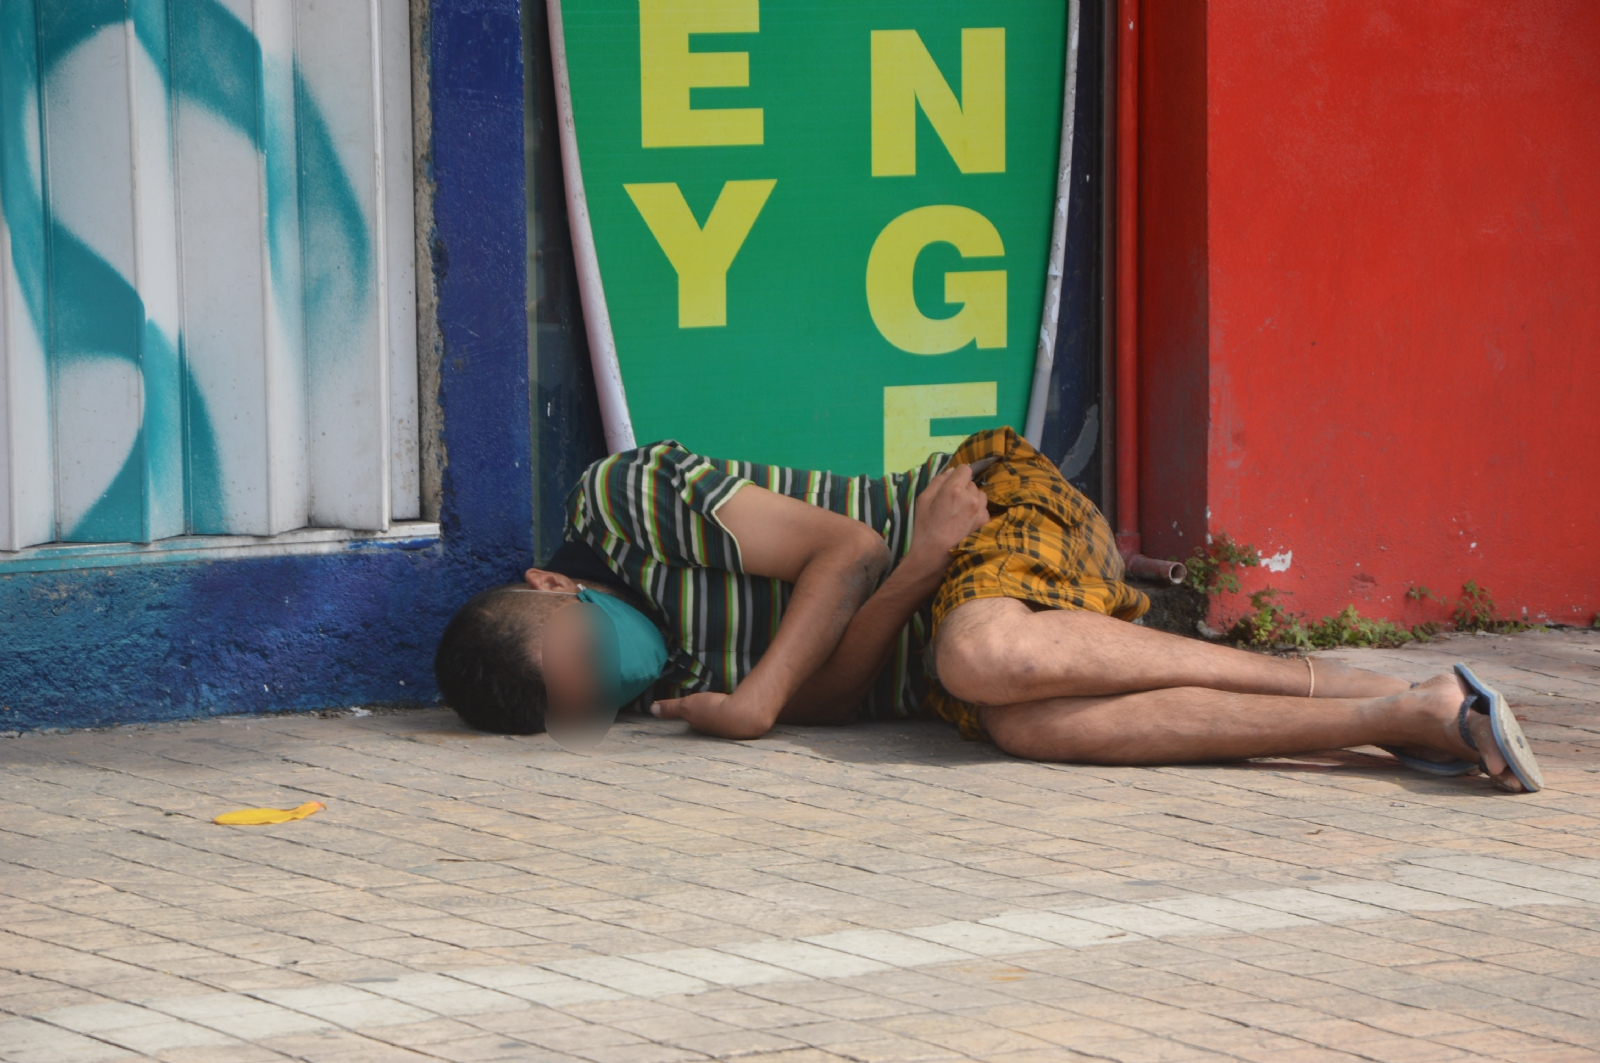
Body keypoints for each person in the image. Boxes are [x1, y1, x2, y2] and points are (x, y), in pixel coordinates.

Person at [434, 428, 1542, 793]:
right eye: (601, 699)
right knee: (1023, 722)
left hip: (977, 499)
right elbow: (847, 684)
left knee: (981, 648)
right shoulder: (676, 692)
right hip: (934, 610)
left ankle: (1358, 683)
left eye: (592, 651)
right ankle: (1408, 713)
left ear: (552, 585)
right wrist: (904, 583)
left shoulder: (619, 501)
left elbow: (847, 546)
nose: (628, 678)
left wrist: (761, 701)